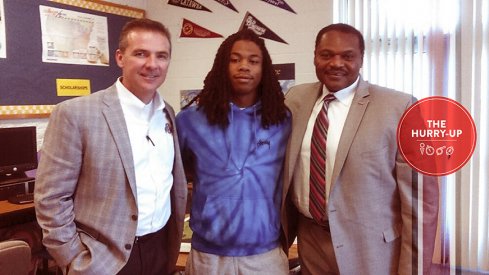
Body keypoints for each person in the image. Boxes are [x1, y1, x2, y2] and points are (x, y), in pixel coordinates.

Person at [281, 23, 439, 274]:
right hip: (310, 241)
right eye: (326, 54)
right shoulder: (294, 99)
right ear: (314, 57)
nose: (336, 63)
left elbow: (421, 203)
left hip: (372, 250)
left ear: (361, 59)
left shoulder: (400, 107)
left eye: (347, 56)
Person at [34, 18, 187, 275]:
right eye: (141, 54)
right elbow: (50, 199)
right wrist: (73, 258)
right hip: (104, 260)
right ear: (119, 57)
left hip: (161, 249)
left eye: (161, 56)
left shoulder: (168, 113)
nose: (152, 64)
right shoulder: (75, 114)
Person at [176, 29, 291, 274]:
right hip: (208, 256)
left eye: (253, 61)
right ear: (222, 65)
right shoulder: (189, 121)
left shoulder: (282, 120)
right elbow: (180, 175)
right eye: (235, 59)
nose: (244, 66)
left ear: (264, 68)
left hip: (265, 255)